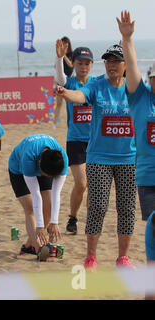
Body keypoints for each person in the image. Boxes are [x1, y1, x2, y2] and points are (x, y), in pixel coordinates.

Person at [57, 43, 137, 271]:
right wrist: (65, 93)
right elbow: (80, 95)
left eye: (116, 61)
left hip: (128, 159)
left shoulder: (133, 88)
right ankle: (90, 257)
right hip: (99, 158)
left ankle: (123, 258)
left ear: (125, 65)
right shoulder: (97, 85)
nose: (111, 66)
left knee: (126, 208)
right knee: (98, 207)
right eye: (108, 61)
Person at [117, 10, 155, 289]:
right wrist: (127, 39)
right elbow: (132, 68)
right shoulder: (141, 98)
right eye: (154, 77)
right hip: (149, 179)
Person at [54, 42, 104, 234]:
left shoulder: (96, 83)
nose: (83, 67)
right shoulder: (70, 83)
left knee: (94, 186)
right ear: (73, 64)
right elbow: (60, 78)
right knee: (81, 183)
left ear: (91, 65)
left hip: (96, 141)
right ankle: (73, 217)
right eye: (80, 63)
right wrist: (59, 58)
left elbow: (116, 77)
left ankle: (90, 220)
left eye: (87, 63)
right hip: (75, 141)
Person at [8, 134, 68, 259]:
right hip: (18, 170)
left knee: (48, 206)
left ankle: (28, 246)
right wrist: (40, 226)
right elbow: (36, 195)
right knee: (30, 209)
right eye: (46, 174)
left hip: (47, 165)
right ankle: (38, 248)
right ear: (39, 163)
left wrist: (54, 222)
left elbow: (56, 194)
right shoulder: (28, 159)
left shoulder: (62, 160)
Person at [53, 37, 74, 126]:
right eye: (63, 43)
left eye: (65, 43)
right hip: (61, 80)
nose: (64, 45)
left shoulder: (72, 54)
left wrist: (63, 55)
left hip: (69, 80)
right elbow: (55, 66)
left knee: (71, 104)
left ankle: (71, 121)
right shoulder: (59, 55)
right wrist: (59, 57)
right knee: (59, 103)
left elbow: (71, 64)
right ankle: (55, 123)